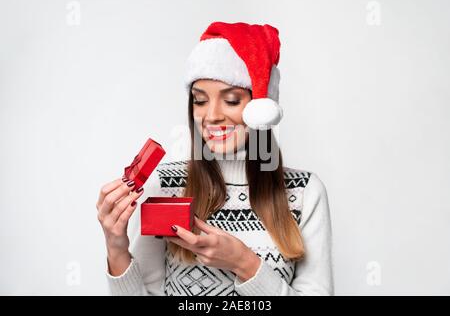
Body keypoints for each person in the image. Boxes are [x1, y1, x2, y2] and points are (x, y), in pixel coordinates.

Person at [96, 21, 334, 296]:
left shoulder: (304, 192)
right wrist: (115, 247)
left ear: (261, 107)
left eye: (231, 100)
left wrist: (245, 264)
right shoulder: (164, 185)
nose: (211, 116)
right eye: (200, 100)